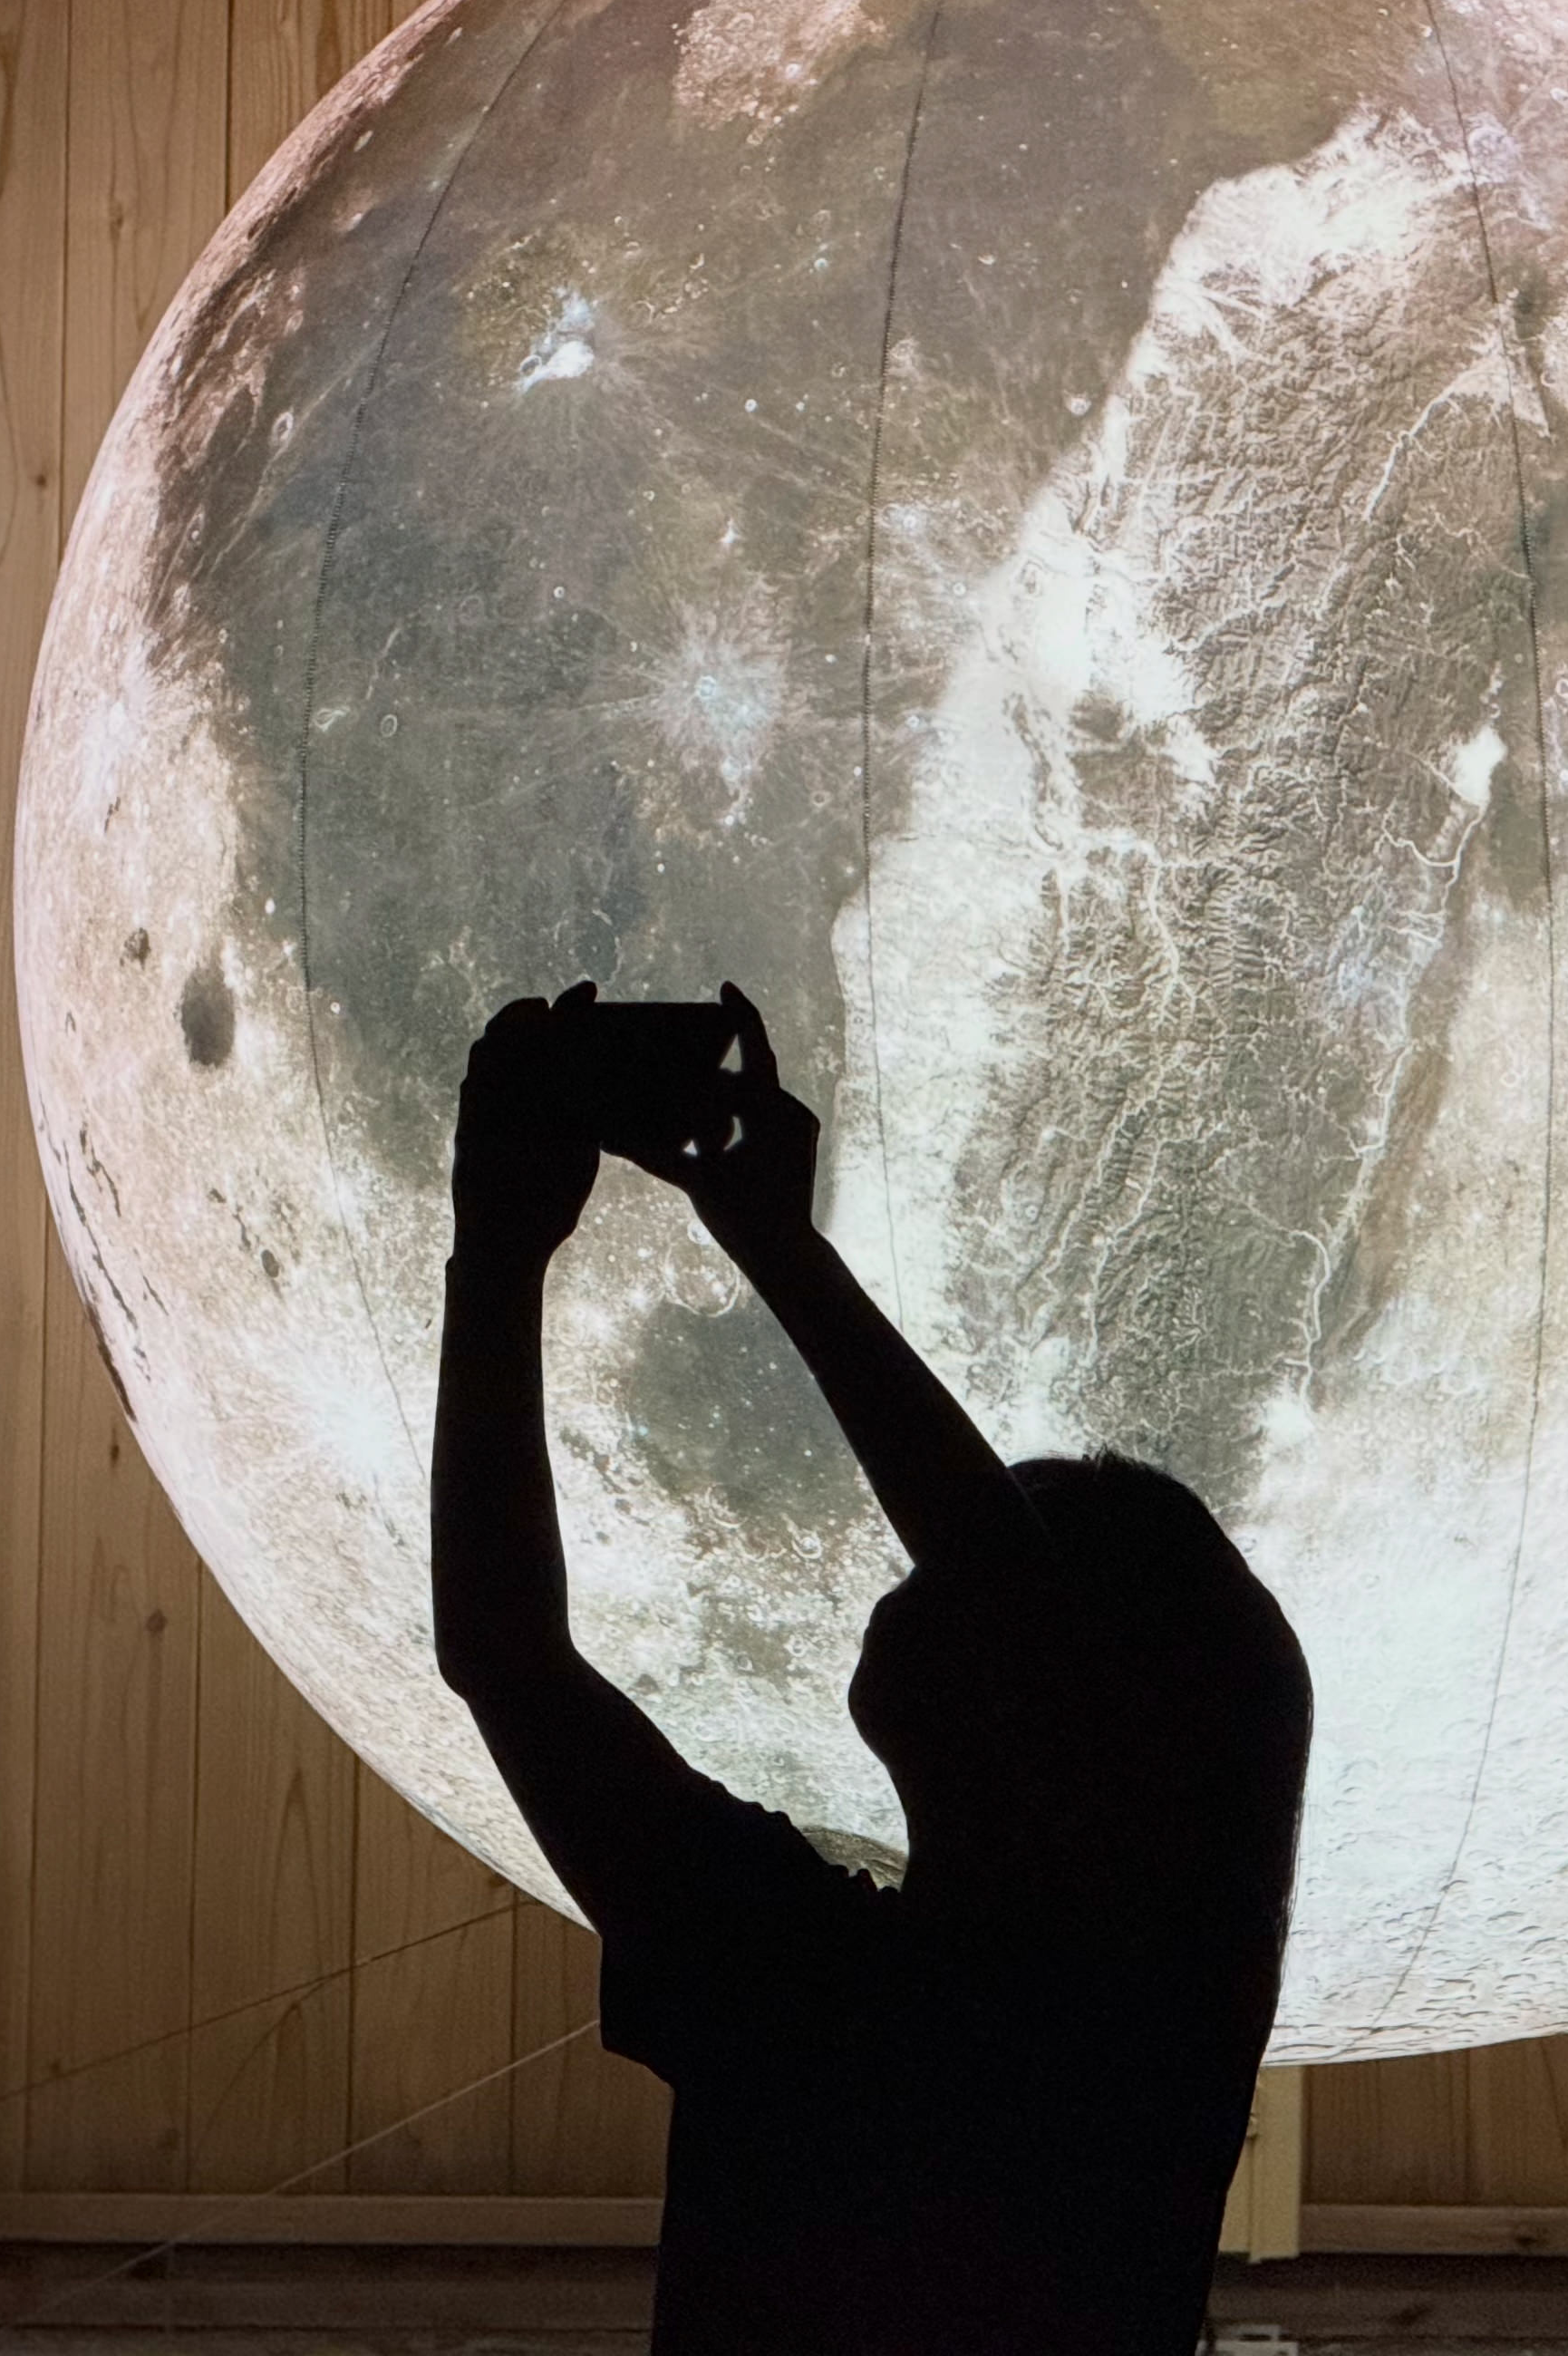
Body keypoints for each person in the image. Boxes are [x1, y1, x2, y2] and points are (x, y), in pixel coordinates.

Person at [432, 978, 1315, 2356]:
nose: (922, 1568)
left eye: (969, 1548)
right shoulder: (1158, 2046)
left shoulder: (806, 1982)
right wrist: (743, 1242)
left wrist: (505, 1247)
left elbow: (507, 1652)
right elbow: (504, 1652)